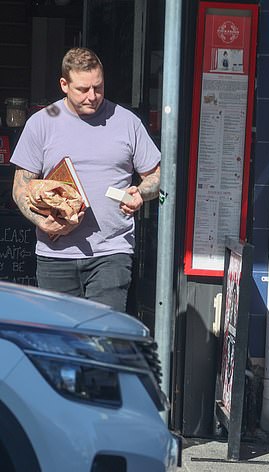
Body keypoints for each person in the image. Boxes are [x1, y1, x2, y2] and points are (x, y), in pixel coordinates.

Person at [10, 47, 160, 312]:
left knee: (103, 340)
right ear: (64, 85)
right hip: (55, 255)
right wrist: (42, 221)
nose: (93, 96)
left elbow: (156, 175)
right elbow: (20, 187)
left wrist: (141, 192)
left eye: (98, 87)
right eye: (83, 89)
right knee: (60, 343)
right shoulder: (42, 123)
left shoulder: (127, 122)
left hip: (111, 253)